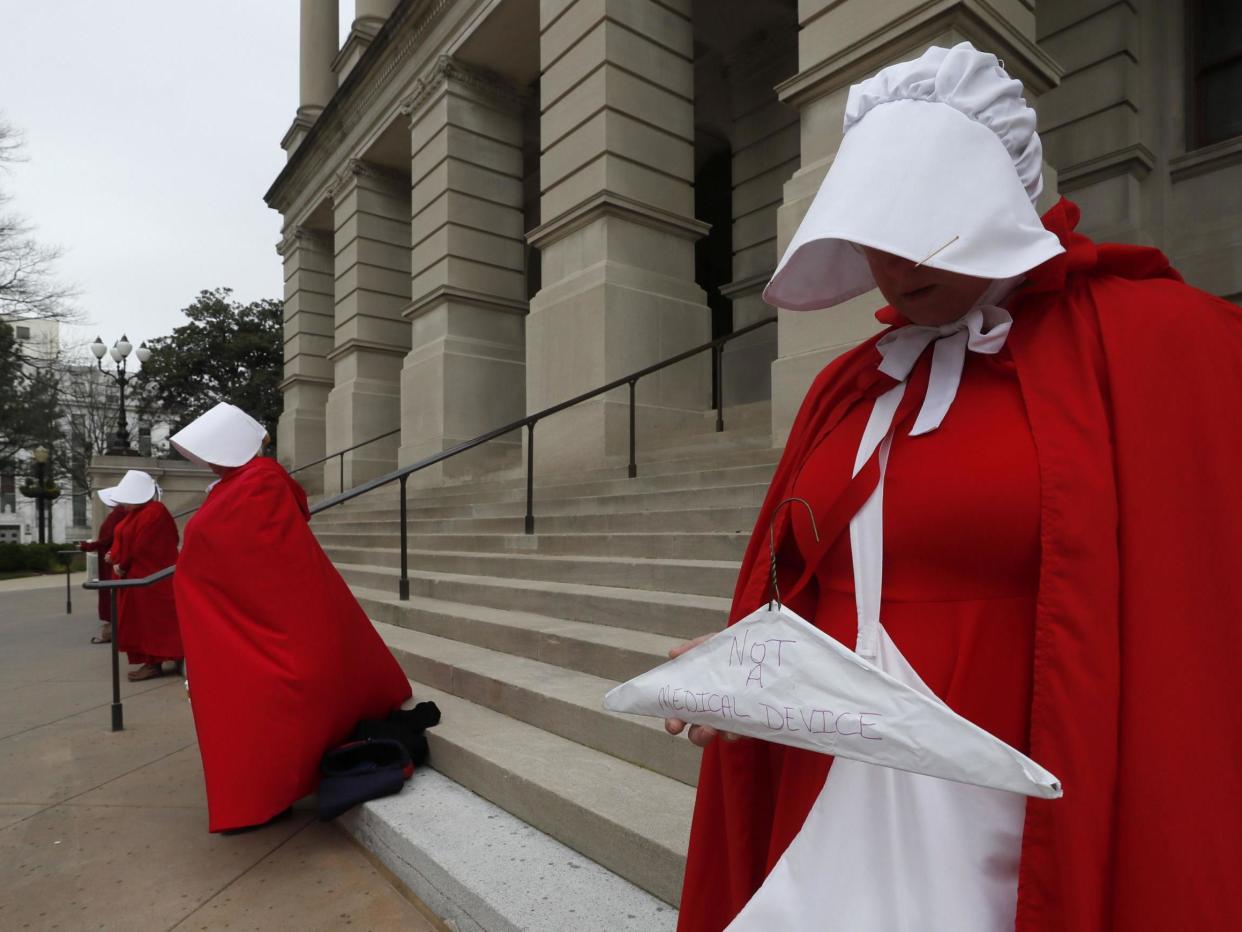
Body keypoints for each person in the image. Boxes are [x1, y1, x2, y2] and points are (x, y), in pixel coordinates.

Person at [669, 44, 1242, 932]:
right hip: (834, 802)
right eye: (877, 226)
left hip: (1019, 809)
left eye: (928, 217)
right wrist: (747, 668)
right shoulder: (852, 382)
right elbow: (815, 584)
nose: (897, 263)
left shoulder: (1152, 342)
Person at [169, 403, 413, 833]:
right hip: (249, 610)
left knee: (262, 700)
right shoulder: (245, 483)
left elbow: (248, 551)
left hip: (260, 613)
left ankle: (267, 793)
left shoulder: (256, 482)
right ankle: (265, 791)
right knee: (256, 700)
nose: (206, 460)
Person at [98, 470, 183, 681]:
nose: (123, 504)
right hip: (138, 578)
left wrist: (121, 563)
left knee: (150, 622)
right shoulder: (141, 513)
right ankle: (154, 661)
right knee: (142, 622)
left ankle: (155, 662)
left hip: (148, 578)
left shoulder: (153, 512)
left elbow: (141, 546)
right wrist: (116, 556)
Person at [79, 489, 124, 644]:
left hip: (110, 559)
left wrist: (91, 545)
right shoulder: (118, 513)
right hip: (108, 558)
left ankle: (112, 630)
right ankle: (111, 629)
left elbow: (110, 537)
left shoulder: (119, 513)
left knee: (110, 594)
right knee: (108, 593)